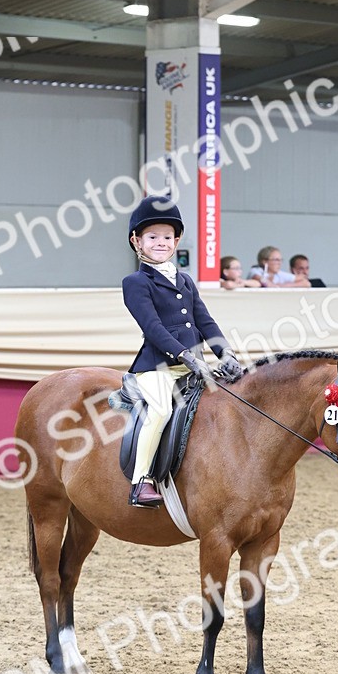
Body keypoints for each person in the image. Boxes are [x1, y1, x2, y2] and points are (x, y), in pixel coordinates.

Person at [122, 197, 243, 508]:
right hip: (156, 368)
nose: (160, 243)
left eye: (167, 237)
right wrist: (187, 357)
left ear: (176, 241)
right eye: (152, 237)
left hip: (193, 367)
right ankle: (141, 481)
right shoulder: (135, 282)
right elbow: (153, 328)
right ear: (137, 241)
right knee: (161, 411)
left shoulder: (185, 280)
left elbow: (204, 320)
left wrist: (226, 353)